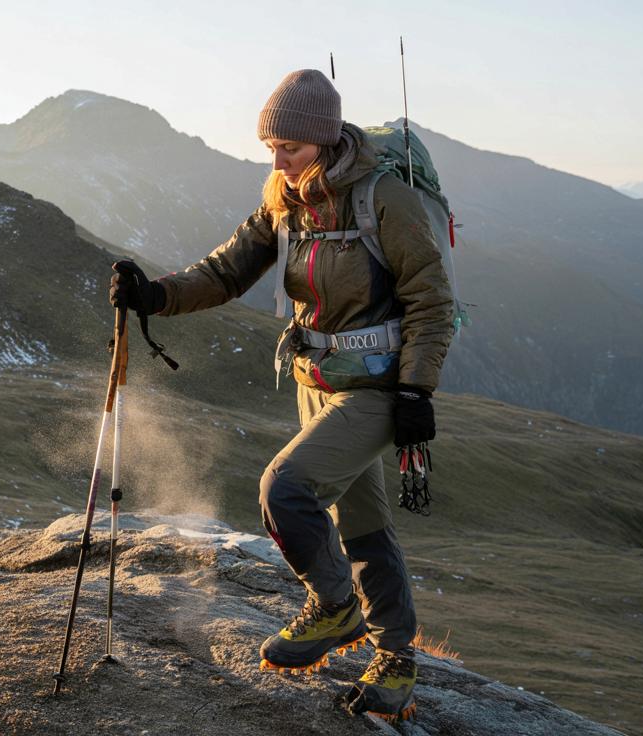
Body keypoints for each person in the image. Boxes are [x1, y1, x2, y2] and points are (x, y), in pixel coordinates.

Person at [110, 68, 453, 722]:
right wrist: (155, 294)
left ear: (323, 141)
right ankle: (396, 664)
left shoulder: (384, 200)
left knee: (284, 491)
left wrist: (415, 391)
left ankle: (335, 608)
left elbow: (430, 302)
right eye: (270, 146)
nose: (277, 159)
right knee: (364, 527)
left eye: (289, 147)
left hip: (379, 386)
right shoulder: (283, 199)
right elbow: (227, 270)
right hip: (316, 381)